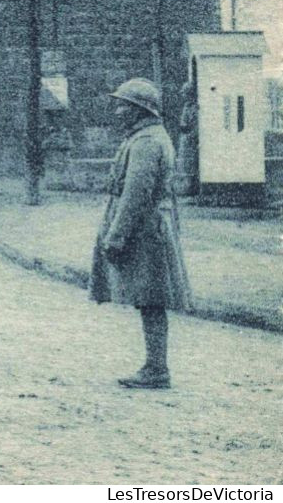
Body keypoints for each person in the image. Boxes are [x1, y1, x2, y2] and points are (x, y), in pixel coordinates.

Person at [90, 78, 192, 390]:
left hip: (146, 231)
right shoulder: (146, 136)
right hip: (148, 228)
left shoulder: (147, 142)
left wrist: (117, 236)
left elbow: (136, 193)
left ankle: (157, 369)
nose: (118, 111)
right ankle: (155, 366)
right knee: (148, 299)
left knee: (151, 299)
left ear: (140, 110)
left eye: (124, 106)